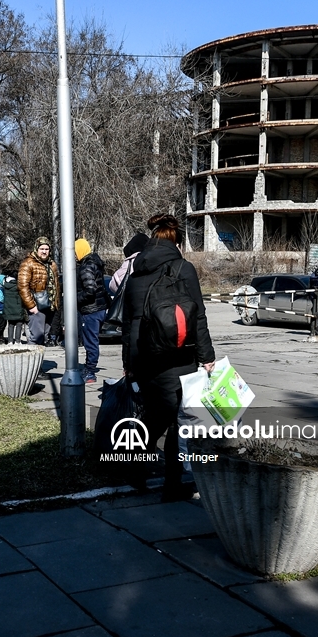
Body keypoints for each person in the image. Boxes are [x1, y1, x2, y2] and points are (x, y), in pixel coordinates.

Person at [122, 214, 215, 502]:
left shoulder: (135, 272)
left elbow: (128, 323)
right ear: (175, 240)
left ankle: (136, 471)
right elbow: (197, 314)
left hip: (144, 357)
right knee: (177, 420)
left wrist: (129, 365)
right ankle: (172, 485)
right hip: (178, 357)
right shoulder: (183, 268)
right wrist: (207, 356)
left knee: (154, 416)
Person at [74, 238, 108, 384]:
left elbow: (90, 290)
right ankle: (89, 368)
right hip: (99, 308)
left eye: (74, 252)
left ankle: (90, 371)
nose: (74, 255)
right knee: (92, 340)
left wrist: (74, 299)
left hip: (91, 309)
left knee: (90, 341)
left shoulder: (86, 266)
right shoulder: (95, 263)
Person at [17, 237, 60, 345]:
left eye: (47, 249)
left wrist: (56, 304)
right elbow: (22, 286)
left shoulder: (52, 264)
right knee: (36, 337)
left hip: (50, 307)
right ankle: (32, 361)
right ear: (37, 249)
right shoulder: (28, 263)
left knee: (44, 337)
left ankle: (40, 361)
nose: (44, 251)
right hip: (37, 306)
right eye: (42, 249)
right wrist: (32, 306)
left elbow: (56, 284)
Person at [1, 273, 26, 344]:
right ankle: (17, 341)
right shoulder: (19, 286)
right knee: (19, 324)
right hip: (18, 308)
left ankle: (10, 341)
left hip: (9, 309)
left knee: (11, 325)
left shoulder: (5, 286)